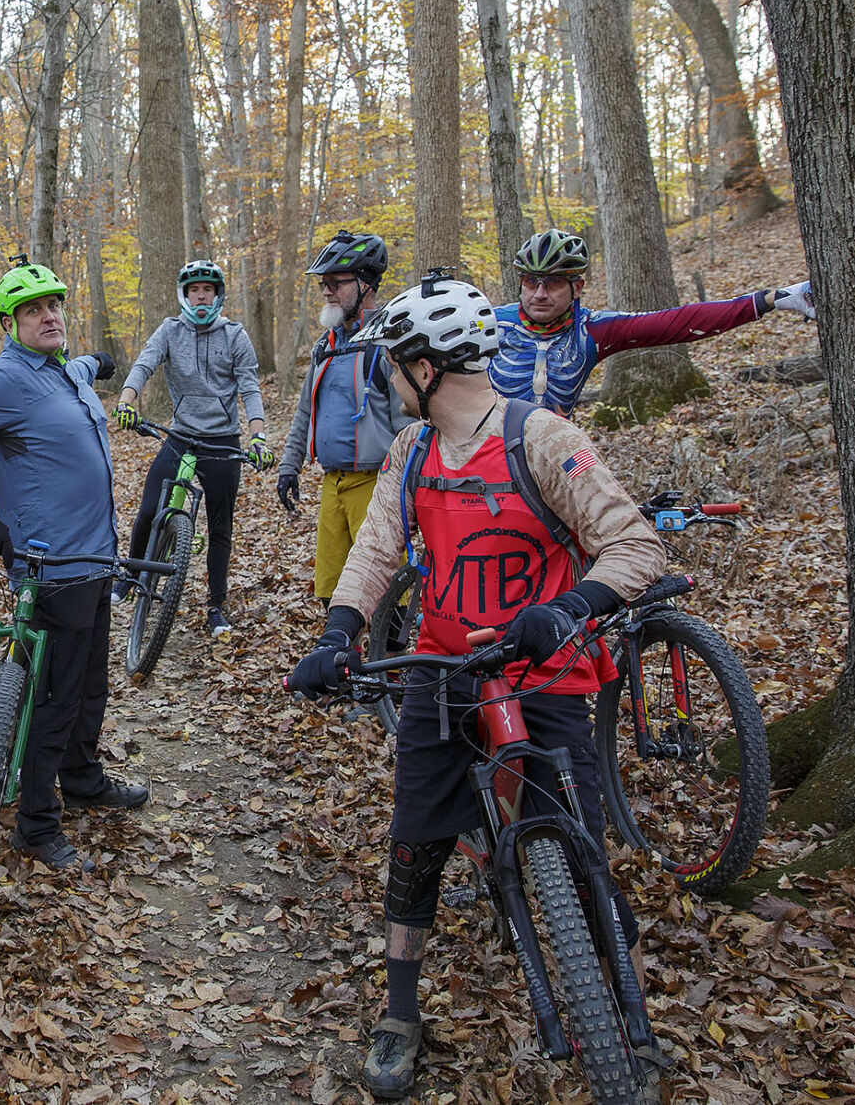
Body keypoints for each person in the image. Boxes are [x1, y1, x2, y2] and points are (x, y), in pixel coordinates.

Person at [286, 274, 667, 1101]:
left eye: (394, 365)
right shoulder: (412, 452)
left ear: (424, 367)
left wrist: (569, 607)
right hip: (442, 672)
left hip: (546, 673)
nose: (389, 379)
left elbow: (633, 546)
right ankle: (398, 1014)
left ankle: (630, 1015)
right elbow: (376, 552)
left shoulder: (544, 439)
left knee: (579, 839)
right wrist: (337, 633)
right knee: (416, 836)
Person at [0, 256, 145, 873]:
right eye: (33, 310)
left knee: (90, 686)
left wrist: (103, 362)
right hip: (51, 567)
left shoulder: (63, 371)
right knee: (56, 699)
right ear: (8, 322)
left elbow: (85, 365)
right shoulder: (3, 380)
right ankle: (37, 825)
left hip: (95, 557)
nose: (49, 316)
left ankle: (85, 780)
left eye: (55, 305)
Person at [493, 227, 817, 415]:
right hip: (476, 456)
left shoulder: (592, 329)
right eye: (529, 282)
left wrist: (773, 299)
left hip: (547, 454)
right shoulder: (490, 323)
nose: (538, 294)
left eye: (551, 284)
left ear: (577, 287)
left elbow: (678, 321)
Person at [113, 259, 273, 636]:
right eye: (194, 290)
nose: (201, 297)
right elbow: (144, 364)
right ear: (184, 295)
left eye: (208, 290)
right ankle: (132, 575)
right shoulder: (170, 330)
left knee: (220, 526)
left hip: (222, 442)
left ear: (217, 295)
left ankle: (216, 605)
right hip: (181, 436)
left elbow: (249, 387)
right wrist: (125, 400)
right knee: (150, 509)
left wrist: (258, 436)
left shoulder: (235, 335)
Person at [276, 230, 410, 603]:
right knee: (331, 591)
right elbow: (306, 411)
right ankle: (343, 658)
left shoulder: (388, 342)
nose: (326, 292)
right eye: (324, 284)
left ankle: (392, 661)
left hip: (377, 485)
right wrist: (289, 466)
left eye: (336, 283)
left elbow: (408, 420)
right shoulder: (326, 344)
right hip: (331, 484)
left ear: (365, 284)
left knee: (386, 594)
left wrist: (411, 483)